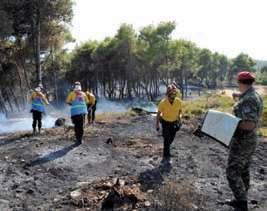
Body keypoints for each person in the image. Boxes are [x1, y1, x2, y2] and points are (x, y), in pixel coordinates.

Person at [226, 71, 263, 211]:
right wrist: (237, 95)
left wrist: (230, 123)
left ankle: (241, 202)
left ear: (241, 83)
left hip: (243, 141)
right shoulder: (253, 94)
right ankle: (242, 196)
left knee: (232, 171)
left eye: (238, 83)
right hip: (249, 140)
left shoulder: (249, 99)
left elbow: (249, 124)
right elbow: (243, 97)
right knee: (244, 170)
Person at [156, 85, 182, 164]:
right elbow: (158, 114)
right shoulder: (163, 103)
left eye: (174, 94)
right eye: (171, 95)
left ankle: (166, 147)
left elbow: (180, 111)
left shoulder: (178, 101)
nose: (173, 96)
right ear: (168, 94)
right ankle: (166, 156)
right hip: (165, 122)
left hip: (174, 122)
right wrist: (157, 124)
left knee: (171, 139)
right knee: (167, 139)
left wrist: (180, 117)